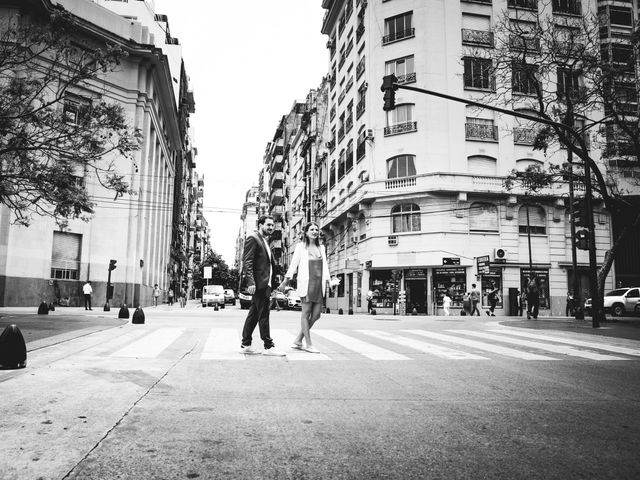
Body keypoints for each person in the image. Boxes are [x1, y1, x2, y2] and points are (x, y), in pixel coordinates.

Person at [279, 222, 336, 353]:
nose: (315, 231)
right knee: (306, 314)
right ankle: (309, 344)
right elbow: (293, 265)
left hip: (319, 285)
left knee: (316, 315)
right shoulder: (300, 247)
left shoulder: (321, 247)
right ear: (306, 232)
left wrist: (329, 281)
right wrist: (285, 281)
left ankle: (298, 339)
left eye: (316, 229)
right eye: (312, 229)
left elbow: (325, 266)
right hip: (307, 284)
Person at [240, 215, 285, 356]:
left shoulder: (264, 241)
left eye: (272, 225)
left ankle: (246, 344)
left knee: (254, 314)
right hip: (259, 283)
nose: (271, 227)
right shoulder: (253, 238)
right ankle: (268, 346)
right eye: (268, 225)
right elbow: (247, 261)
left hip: (265, 283)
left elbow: (269, 264)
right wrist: (251, 282)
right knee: (264, 314)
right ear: (260, 225)